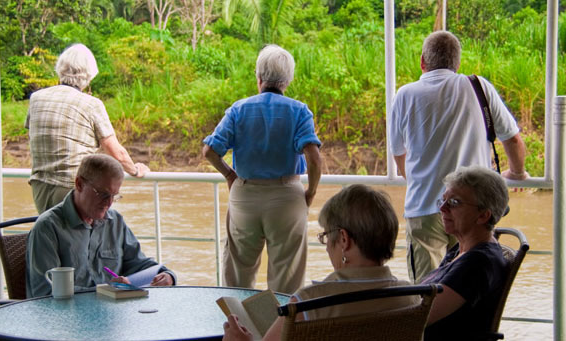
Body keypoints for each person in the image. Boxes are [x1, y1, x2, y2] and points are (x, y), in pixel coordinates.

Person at [389, 30, 528, 283]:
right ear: (457, 63)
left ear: (423, 61)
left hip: (424, 207)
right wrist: (517, 173)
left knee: (425, 290)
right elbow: (513, 139)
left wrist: (422, 182)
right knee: (472, 283)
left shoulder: (404, 95)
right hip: (473, 208)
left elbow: (400, 157)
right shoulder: (478, 86)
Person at [222, 185, 419, 341]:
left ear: (344, 239)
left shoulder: (308, 304)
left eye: (326, 236)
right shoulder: (411, 298)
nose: (326, 247)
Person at [202, 44, 322, 294]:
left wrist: (229, 174)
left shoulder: (239, 109)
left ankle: (239, 326)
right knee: (286, 276)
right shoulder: (299, 110)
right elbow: (314, 157)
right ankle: (279, 328)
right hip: (287, 196)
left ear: (258, 77)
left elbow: (210, 151)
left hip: (245, 195)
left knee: (238, 274)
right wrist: (310, 192)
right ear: (287, 80)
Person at [25, 154, 175, 298]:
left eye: (114, 196)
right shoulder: (47, 228)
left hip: (110, 316)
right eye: (103, 194)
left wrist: (166, 275)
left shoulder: (115, 222)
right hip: (64, 320)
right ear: (79, 184)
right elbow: (44, 292)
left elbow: (137, 263)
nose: (109, 203)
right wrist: (106, 291)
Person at [25, 43, 150, 214]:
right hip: (74, 188)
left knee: (53, 236)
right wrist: (135, 170)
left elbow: (33, 134)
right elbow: (116, 151)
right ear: (89, 75)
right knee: (91, 235)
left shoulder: (36, 99)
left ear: (60, 69)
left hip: (40, 188)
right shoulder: (91, 104)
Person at [421, 166, 510, 340]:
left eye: (454, 203)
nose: (443, 209)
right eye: (443, 200)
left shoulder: (478, 263)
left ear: (483, 215)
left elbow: (420, 316)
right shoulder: (462, 249)